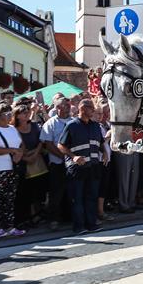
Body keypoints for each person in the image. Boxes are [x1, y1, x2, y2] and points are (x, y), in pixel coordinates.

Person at [57, 99, 106, 234]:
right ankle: (79, 226)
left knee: (92, 197)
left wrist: (105, 152)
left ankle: (91, 224)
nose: (94, 111)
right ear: (83, 108)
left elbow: (100, 143)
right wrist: (74, 157)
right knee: (77, 198)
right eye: (91, 108)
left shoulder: (95, 126)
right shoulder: (71, 125)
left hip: (93, 167)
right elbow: (61, 145)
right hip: (77, 169)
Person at [0, 103, 26, 238]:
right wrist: (12, 151)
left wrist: (19, 154)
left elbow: (21, 144)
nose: (9, 116)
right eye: (6, 113)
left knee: (10, 199)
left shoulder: (13, 129)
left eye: (10, 113)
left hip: (12, 168)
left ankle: (10, 226)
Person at [41, 95, 73, 230]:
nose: (69, 107)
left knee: (70, 191)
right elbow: (48, 144)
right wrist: (62, 155)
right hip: (57, 163)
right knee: (56, 192)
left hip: (72, 163)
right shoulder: (50, 123)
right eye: (65, 105)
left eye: (69, 105)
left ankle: (68, 216)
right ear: (58, 107)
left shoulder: (74, 121)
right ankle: (54, 218)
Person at [13, 103, 47, 228]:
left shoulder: (34, 126)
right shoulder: (14, 129)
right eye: (23, 112)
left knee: (38, 190)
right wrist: (26, 157)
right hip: (23, 163)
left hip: (37, 160)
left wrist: (35, 154)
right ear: (17, 116)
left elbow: (41, 141)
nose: (27, 113)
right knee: (25, 191)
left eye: (28, 111)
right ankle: (27, 216)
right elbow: (18, 146)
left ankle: (37, 213)